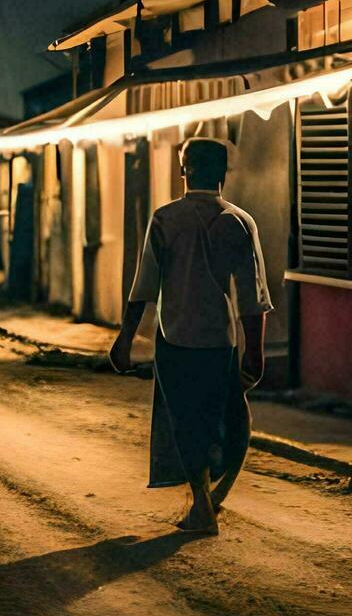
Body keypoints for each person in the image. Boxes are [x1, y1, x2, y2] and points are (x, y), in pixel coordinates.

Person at [109, 138, 273, 535]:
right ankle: (215, 497)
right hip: (220, 341)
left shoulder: (165, 219)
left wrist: (125, 338)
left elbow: (143, 287)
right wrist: (256, 350)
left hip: (175, 339)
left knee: (184, 423)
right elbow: (253, 295)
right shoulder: (239, 221)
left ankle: (202, 503)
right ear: (222, 174)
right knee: (231, 417)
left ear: (185, 171)